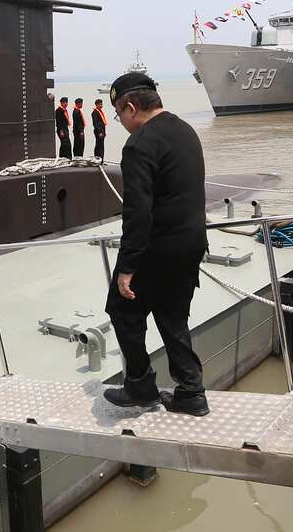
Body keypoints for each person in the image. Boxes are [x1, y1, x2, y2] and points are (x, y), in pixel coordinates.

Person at [101, 72, 210, 416]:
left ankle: (140, 385)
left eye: (119, 115)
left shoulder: (140, 144)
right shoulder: (185, 131)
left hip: (158, 248)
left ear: (130, 108)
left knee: (122, 310)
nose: (121, 123)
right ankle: (191, 392)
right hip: (191, 243)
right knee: (172, 315)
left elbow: (137, 212)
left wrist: (127, 267)